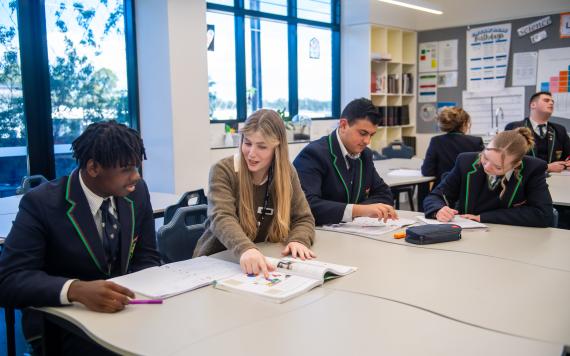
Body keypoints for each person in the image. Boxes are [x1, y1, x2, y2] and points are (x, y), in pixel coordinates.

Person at [0, 121, 161, 354]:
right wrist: (76, 290)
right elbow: (8, 280)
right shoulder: (42, 203)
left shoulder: (136, 193)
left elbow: (146, 256)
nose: (136, 176)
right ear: (94, 167)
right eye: (126, 168)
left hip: (127, 311)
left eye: (136, 167)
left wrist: (140, 293)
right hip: (63, 322)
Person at [193, 109, 315, 278]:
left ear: (277, 148)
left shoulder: (286, 172)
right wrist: (246, 249)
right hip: (216, 264)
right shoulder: (223, 170)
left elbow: (303, 218)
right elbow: (222, 217)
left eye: (262, 146)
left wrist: (298, 240)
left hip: (260, 265)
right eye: (248, 143)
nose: (251, 153)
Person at [293, 98, 395, 226]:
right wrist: (358, 210)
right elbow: (307, 205)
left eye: (371, 135)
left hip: (352, 234)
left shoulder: (365, 155)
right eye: (363, 133)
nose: (367, 141)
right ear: (343, 125)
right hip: (318, 235)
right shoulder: (314, 154)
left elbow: (384, 194)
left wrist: (359, 211)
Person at [423, 128, 553, 227]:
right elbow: (436, 196)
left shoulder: (533, 169)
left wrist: (484, 217)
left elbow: (543, 214)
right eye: (485, 158)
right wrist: (438, 209)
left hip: (512, 240)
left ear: (516, 164)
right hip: (468, 238)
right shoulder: (466, 162)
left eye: (497, 167)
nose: (487, 167)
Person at [504, 91, 570, 173]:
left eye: (552, 101)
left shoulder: (560, 130)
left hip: (556, 178)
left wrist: (567, 164)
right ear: (533, 105)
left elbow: (568, 155)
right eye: (546, 100)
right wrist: (545, 167)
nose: (551, 103)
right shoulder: (514, 128)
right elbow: (508, 159)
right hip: (523, 178)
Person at [421, 107, 484, 185]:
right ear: (464, 124)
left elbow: (427, 171)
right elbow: (483, 170)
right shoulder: (476, 142)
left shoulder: (436, 141)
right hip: (468, 191)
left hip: (443, 191)